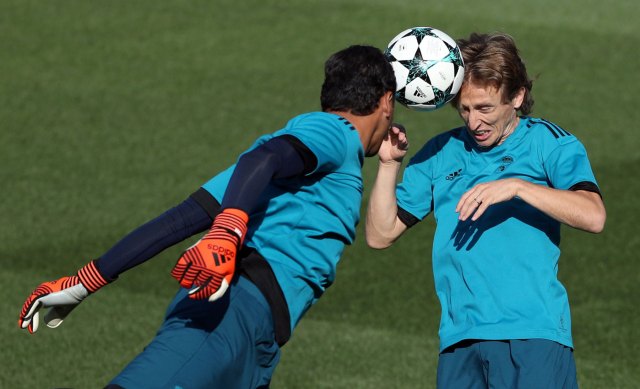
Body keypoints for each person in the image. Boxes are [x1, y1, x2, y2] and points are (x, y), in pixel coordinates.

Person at [18, 44, 403, 388]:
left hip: (256, 337)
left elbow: (184, 217)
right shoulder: (333, 131)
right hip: (227, 311)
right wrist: (228, 230)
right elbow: (262, 159)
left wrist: (86, 280)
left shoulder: (315, 155)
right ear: (386, 102)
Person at [366, 32, 606, 388]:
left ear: (517, 96)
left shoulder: (548, 142)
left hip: (532, 336)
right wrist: (388, 166)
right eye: (465, 109)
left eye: (485, 108)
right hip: (459, 339)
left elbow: (594, 215)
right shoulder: (439, 152)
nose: (473, 122)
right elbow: (380, 234)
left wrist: (517, 187)